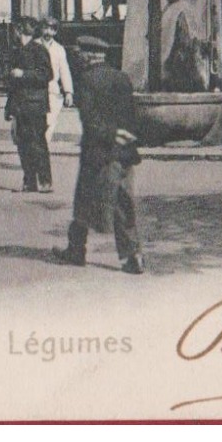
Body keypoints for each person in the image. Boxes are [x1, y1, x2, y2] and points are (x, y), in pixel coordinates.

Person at [54, 36, 144, 274]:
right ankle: (133, 257)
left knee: (84, 201)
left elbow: (90, 121)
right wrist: (125, 136)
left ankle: (76, 250)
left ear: (90, 56)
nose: (79, 57)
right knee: (123, 203)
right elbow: (132, 116)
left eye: (82, 53)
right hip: (124, 152)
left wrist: (111, 134)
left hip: (98, 151)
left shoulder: (87, 80)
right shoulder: (121, 78)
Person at [5, 18, 54, 193]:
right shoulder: (18, 51)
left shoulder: (39, 50)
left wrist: (23, 74)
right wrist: (9, 109)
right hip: (21, 106)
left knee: (37, 143)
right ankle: (29, 182)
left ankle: (45, 181)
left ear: (20, 31)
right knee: (23, 144)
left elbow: (47, 75)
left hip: (34, 105)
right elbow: (12, 84)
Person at [40, 16, 75, 141]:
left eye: (51, 29)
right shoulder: (34, 46)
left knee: (50, 121)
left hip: (53, 90)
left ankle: (44, 146)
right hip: (37, 89)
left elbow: (64, 71)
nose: (48, 32)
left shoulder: (59, 49)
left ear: (55, 32)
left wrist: (68, 92)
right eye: (46, 28)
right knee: (39, 122)